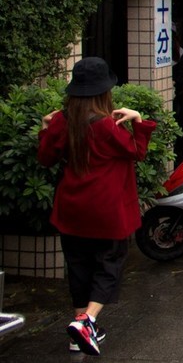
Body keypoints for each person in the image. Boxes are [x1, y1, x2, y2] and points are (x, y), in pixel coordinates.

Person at [37, 57, 156, 355]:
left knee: (78, 267)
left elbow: (45, 158)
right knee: (109, 265)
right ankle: (88, 320)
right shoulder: (106, 125)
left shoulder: (63, 120)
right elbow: (136, 151)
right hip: (106, 211)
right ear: (104, 92)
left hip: (72, 209)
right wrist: (138, 119)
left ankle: (79, 328)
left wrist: (44, 128)